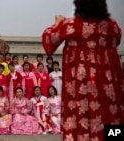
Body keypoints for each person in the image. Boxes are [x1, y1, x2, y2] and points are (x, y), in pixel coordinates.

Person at [42, 0, 124, 139]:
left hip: (81, 89)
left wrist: (57, 23)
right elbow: (117, 39)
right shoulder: (113, 26)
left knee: (81, 122)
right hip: (107, 89)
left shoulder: (70, 25)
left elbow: (49, 43)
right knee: (111, 125)